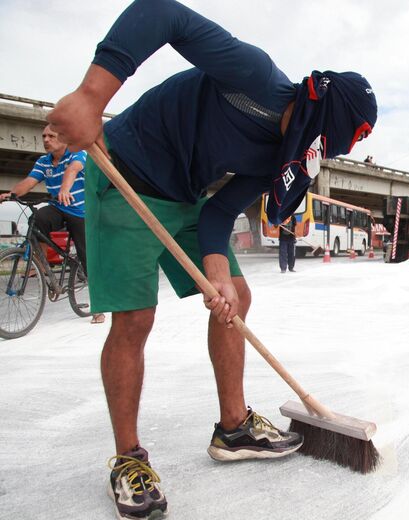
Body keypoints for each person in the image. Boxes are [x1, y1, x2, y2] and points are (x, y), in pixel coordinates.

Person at [46, 1, 377, 518]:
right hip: (126, 172)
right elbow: (161, 13)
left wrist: (218, 276)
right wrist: (93, 95)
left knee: (236, 296)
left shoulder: (279, 155)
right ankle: (128, 459)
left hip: (186, 195)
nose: (313, 150)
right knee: (135, 317)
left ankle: (233, 427)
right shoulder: (254, 74)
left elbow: (221, 212)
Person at [0, 125, 105, 324]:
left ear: (64, 138)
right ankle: (40, 265)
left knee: (87, 258)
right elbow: (30, 181)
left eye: (51, 136)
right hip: (58, 207)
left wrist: (65, 189)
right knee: (36, 221)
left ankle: (99, 306)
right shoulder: (43, 161)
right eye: (44, 136)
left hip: (81, 211)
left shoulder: (77, 154)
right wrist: (12, 194)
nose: (46, 139)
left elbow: (72, 171)